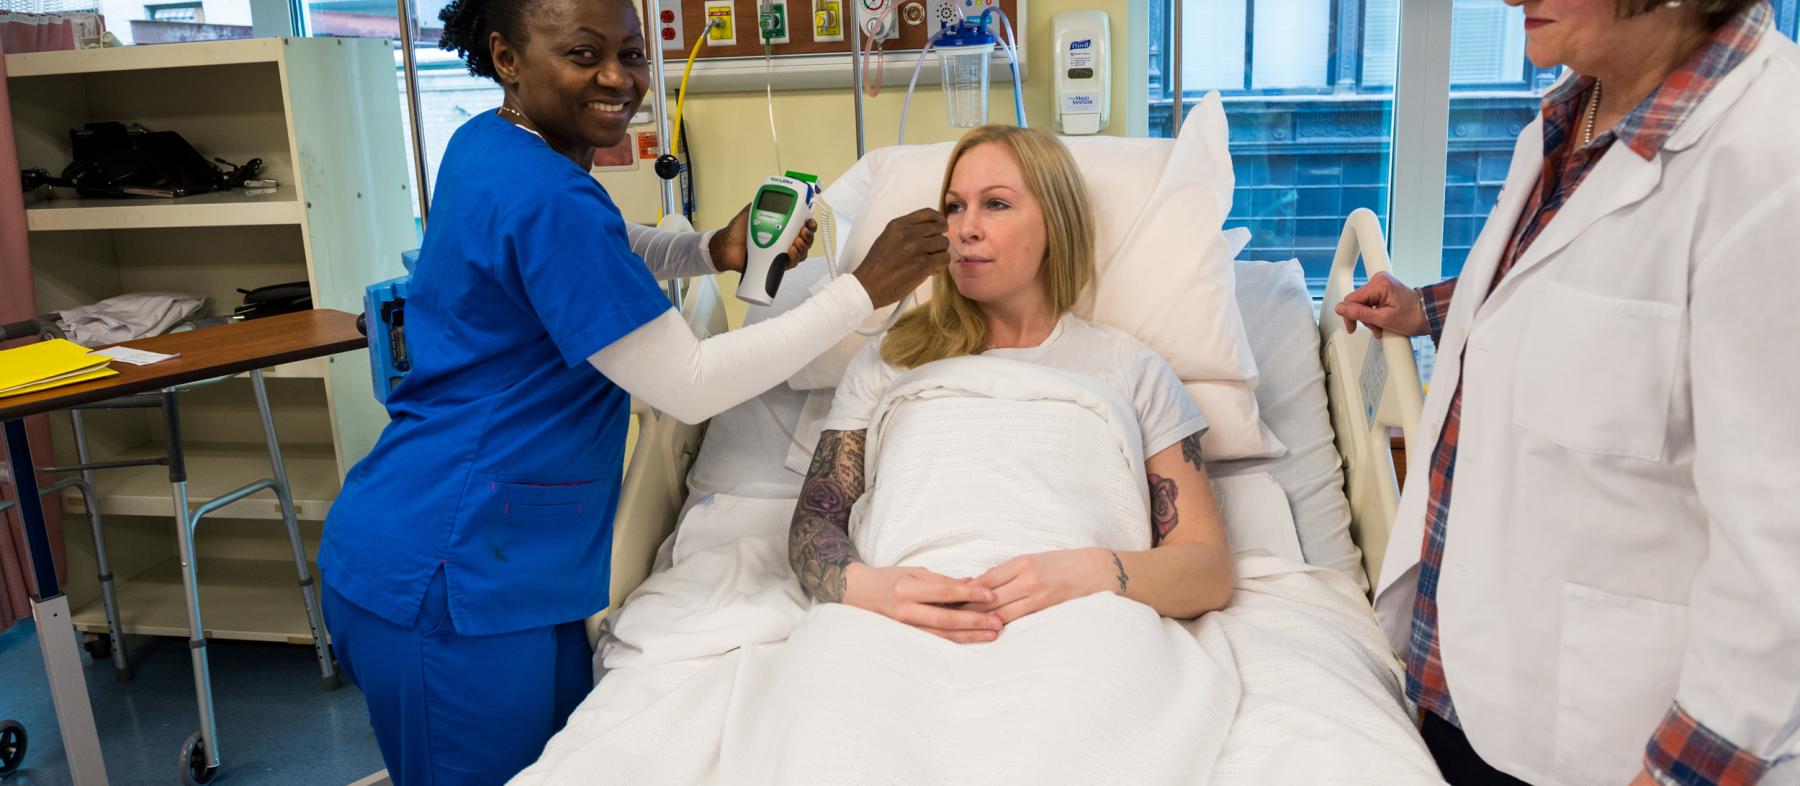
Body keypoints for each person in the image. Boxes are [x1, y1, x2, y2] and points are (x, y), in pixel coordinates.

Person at [313, 0, 950, 779]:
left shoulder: (493, 144)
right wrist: (863, 290)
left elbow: (597, 243)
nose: (618, 79)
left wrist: (706, 248)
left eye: (632, 53)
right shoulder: (544, 194)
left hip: (507, 563)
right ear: (507, 56)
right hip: (449, 569)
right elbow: (690, 384)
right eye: (583, 55)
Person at [1335, 1, 1799, 784]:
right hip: (1469, 690)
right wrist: (1431, 310)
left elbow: (1781, 550)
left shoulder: (1771, 165)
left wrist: (1683, 771)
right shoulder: (1569, 115)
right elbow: (1587, 307)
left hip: (1616, 746)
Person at [789, 124, 1235, 641]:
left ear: (1056, 222)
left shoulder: (1131, 369)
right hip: (900, 627)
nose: (964, 229)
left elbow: (1207, 568)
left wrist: (1088, 572)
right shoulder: (890, 359)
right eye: (954, 207)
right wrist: (874, 590)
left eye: (996, 205)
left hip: (1080, 625)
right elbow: (814, 526)